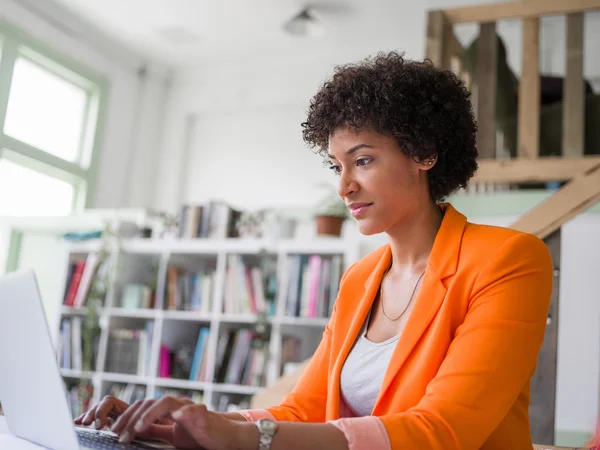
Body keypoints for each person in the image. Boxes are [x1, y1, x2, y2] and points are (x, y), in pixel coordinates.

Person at [75, 51, 553, 450]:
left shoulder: (509, 259)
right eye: (336, 165)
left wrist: (245, 439)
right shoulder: (361, 279)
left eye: (363, 160)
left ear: (424, 153)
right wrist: (193, 424)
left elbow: (445, 429)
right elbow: (300, 410)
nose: (344, 187)